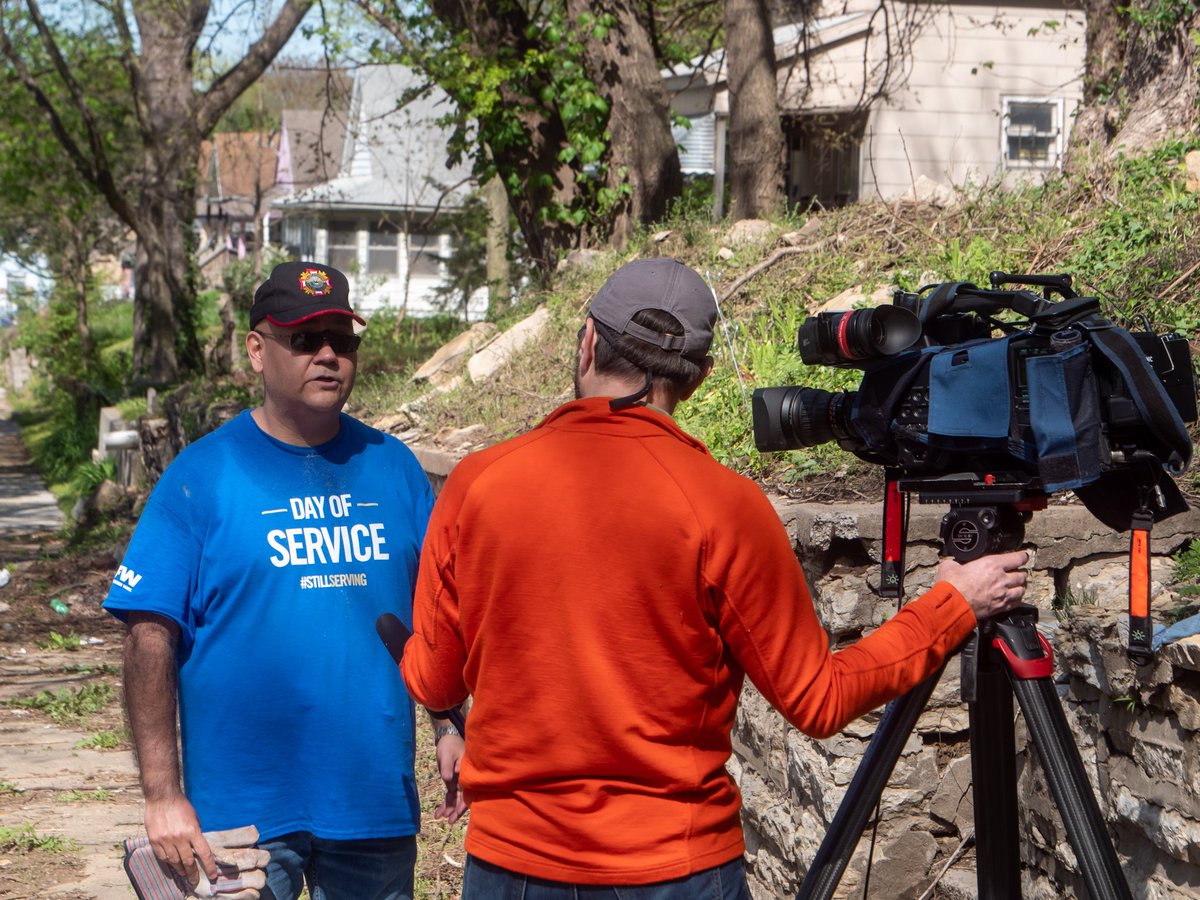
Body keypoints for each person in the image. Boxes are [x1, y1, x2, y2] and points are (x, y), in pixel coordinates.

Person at [400, 257, 1029, 898]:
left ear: (588, 340)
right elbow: (820, 700)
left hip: (511, 867)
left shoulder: (475, 485)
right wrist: (952, 603)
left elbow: (434, 678)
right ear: (698, 379)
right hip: (675, 868)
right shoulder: (723, 506)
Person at [105, 261, 435, 900]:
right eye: (305, 339)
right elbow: (148, 635)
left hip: (372, 800)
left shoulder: (394, 469)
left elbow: (436, 613)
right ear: (257, 350)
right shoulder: (201, 476)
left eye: (343, 339)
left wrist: (450, 727)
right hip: (239, 814)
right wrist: (163, 795)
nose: (329, 355)